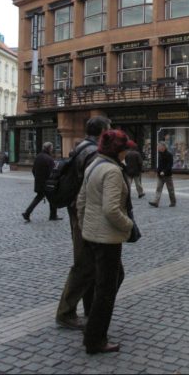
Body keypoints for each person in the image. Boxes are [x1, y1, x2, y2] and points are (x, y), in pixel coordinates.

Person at [77, 129, 134, 355]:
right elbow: (111, 209)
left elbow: (81, 200)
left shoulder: (94, 165)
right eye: (124, 148)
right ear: (117, 150)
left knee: (108, 279)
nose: (127, 152)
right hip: (107, 238)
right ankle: (95, 339)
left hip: (93, 234)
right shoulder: (111, 170)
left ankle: (92, 324)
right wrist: (128, 225)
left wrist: (84, 225)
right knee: (105, 288)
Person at [56, 116, 111, 330]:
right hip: (85, 213)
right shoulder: (92, 152)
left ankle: (90, 307)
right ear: (103, 131)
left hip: (77, 211)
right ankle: (66, 312)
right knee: (84, 263)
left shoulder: (80, 147)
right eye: (109, 128)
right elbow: (92, 186)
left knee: (89, 262)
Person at [22, 142, 62, 222]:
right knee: (52, 198)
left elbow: (33, 170)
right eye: (51, 148)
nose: (52, 149)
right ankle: (52, 216)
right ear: (49, 149)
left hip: (39, 182)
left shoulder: (38, 157)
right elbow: (53, 172)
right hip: (47, 183)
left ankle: (27, 213)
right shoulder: (49, 159)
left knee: (38, 198)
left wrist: (38, 178)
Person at [149, 141, 176, 207]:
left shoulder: (169, 155)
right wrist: (158, 171)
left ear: (163, 147)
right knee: (158, 189)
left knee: (170, 190)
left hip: (167, 175)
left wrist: (164, 171)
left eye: (159, 146)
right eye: (158, 146)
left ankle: (173, 202)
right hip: (160, 175)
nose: (158, 147)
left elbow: (170, 165)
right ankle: (156, 202)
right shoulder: (160, 154)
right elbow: (160, 165)